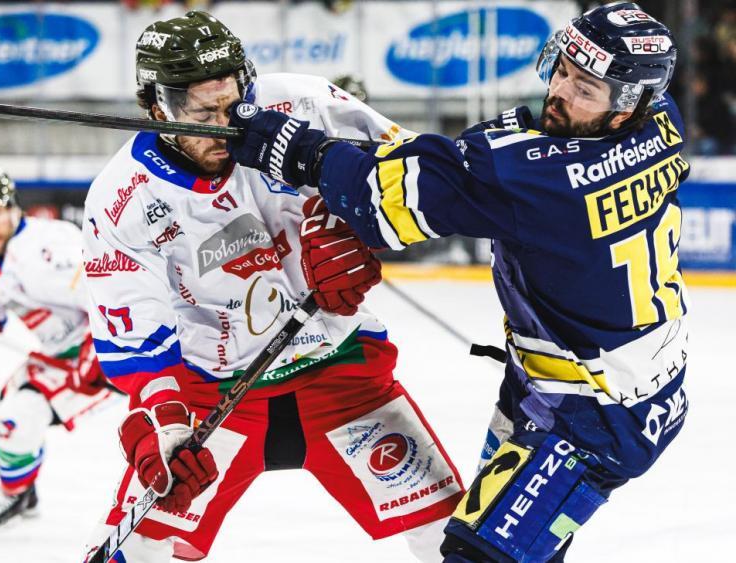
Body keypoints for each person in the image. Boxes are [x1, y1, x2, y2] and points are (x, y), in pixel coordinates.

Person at [226, 3, 687, 561]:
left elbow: (383, 202)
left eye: (585, 88)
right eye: (562, 69)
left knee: (475, 555)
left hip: (591, 414)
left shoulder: (536, 179)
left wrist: (300, 151)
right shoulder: (663, 123)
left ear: (626, 107)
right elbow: (477, 172)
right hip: (599, 384)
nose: (560, 92)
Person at [82, 11, 463, 562]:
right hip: (214, 397)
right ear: (155, 105)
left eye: (233, 104)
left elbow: (423, 183)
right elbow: (137, 335)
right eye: (201, 113)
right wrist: (162, 427)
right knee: (134, 551)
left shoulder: (305, 105)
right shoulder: (121, 199)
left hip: (345, 375)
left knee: (458, 542)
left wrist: (360, 233)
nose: (226, 125)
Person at [0, 166, 114, 532]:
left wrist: (101, 353)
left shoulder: (50, 250)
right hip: (60, 354)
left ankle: (13, 491)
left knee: (16, 419)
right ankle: (23, 489)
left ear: (13, 208)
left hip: (109, 350)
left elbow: (111, 296)